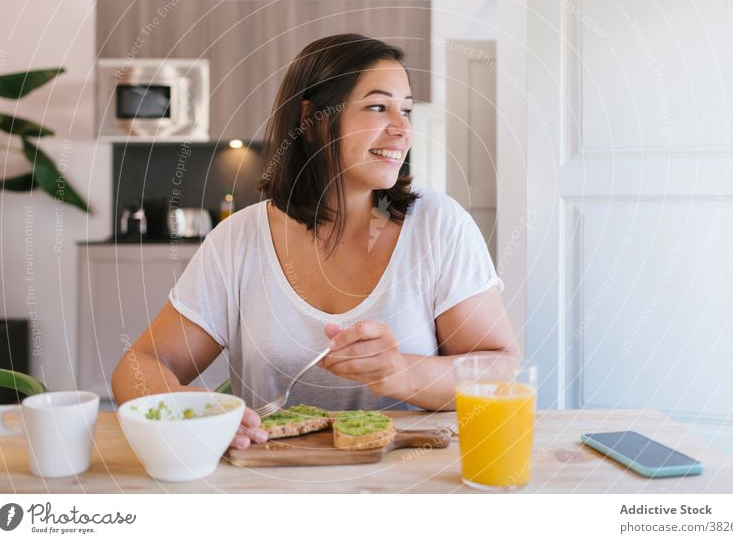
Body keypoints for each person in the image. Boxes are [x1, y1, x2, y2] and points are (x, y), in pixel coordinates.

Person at [112, 33, 521, 450]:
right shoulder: (238, 241)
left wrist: (398, 371)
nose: (403, 130)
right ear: (314, 120)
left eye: (407, 110)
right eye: (379, 107)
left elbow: (500, 366)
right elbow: (139, 366)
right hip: (268, 481)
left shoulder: (439, 226)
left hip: (408, 480)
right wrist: (183, 407)